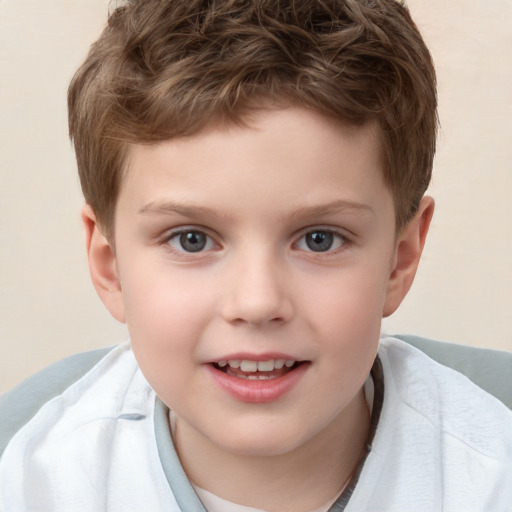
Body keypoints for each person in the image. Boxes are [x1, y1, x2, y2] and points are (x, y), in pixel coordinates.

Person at [1, 0, 511, 510]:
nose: (257, 301)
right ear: (109, 265)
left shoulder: (491, 474)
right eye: (192, 239)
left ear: (400, 258)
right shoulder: (31, 477)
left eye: (320, 239)